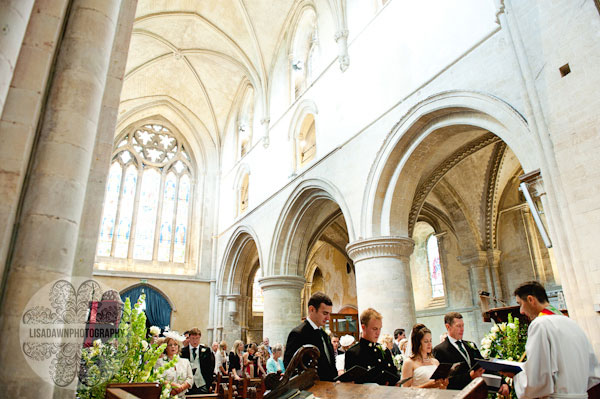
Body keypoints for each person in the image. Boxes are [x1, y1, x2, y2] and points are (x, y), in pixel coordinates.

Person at [503, 281, 600, 399]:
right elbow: (593, 372)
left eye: (520, 304)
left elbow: (537, 378)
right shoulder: (571, 322)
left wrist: (516, 377)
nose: (521, 311)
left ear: (530, 300)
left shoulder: (540, 324)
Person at [284, 292, 337, 381]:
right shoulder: (298, 334)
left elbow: (330, 364)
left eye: (329, 314)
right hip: (312, 390)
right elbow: (290, 367)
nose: (328, 318)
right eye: (325, 313)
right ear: (312, 309)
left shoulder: (324, 335)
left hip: (329, 389)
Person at [432, 312, 487, 390]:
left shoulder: (470, 345)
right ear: (448, 327)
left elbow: (484, 365)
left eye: (463, 325)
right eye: (458, 326)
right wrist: (469, 377)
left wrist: (502, 383)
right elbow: (443, 380)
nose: (462, 329)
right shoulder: (440, 350)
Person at [344, 308, 398, 385]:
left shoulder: (384, 350)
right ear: (363, 327)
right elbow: (351, 384)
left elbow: (393, 375)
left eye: (380, 329)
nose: (378, 333)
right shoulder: (353, 353)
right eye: (375, 329)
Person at [401, 324, 448, 389]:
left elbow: (441, 388)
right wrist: (428, 385)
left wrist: (444, 384)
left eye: (430, 341)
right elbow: (405, 389)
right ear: (418, 343)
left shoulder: (435, 362)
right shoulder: (409, 362)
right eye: (426, 341)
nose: (429, 344)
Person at [180, 327, 214, 394]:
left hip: (202, 384)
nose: (195, 341)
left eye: (197, 338)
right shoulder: (183, 351)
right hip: (187, 385)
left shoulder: (206, 350)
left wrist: (208, 384)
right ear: (189, 338)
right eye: (193, 338)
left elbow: (211, 367)